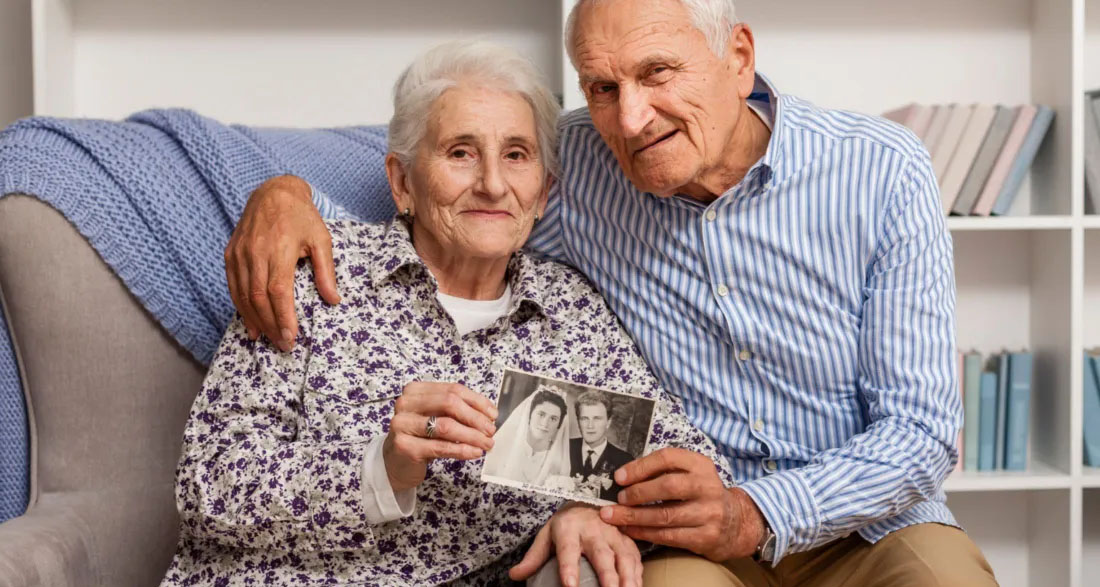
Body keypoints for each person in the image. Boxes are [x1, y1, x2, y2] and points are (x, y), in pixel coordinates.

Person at [225, 0, 1000, 585]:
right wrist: (285, 193)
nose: (629, 119)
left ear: (738, 57)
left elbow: (922, 432)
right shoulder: (581, 167)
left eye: (656, 73)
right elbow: (449, 189)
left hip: (861, 523)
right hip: (679, 533)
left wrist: (758, 513)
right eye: (601, 87)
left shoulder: (883, 170)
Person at [163, 39, 733, 587]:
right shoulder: (317, 275)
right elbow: (206, 486)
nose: (491, 183)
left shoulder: (571, 311)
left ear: (542, 194)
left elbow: (692, 471)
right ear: (402, 182)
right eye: (460, 152)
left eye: (516, 155)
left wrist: (595, 511)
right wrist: (378, 469)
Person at [483, 385, 572, 485]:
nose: (545, 423)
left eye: (553, 419)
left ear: (559, 425)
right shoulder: (503, 447)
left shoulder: (558, 462)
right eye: (541, 414)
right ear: (529, 415)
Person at [569, 391, 632, 502]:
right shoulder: (565, 447)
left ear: (608, 422)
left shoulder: (625, 461)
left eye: (597, 418)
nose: (590, 426)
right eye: (584, 418)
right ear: (578, 422)